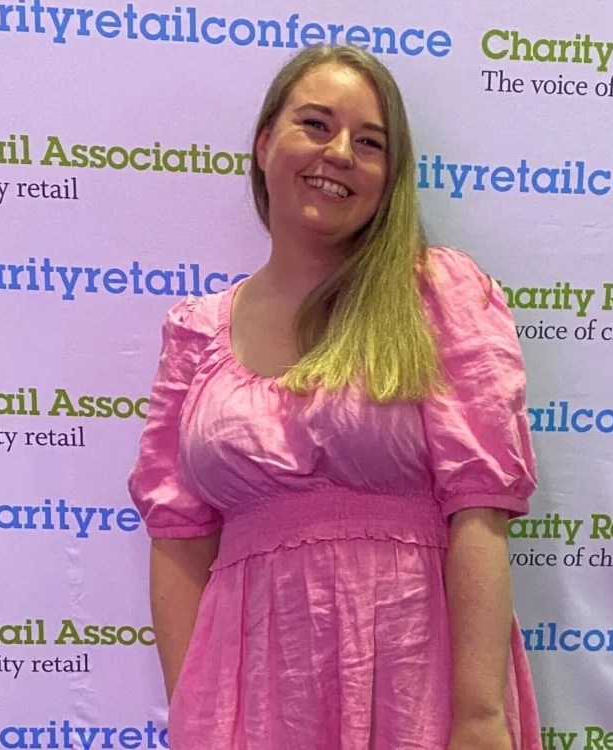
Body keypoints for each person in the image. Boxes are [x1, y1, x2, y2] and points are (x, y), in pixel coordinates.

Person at [127, 43, 541, 750]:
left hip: (416, 680)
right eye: (315, 125)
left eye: (370, 142)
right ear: (264, 144)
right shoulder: (195, 333)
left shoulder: (438, 294)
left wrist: (479, 719)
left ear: (390, 175)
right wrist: (193, 713)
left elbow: (481, 513)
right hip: (250, 695)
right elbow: (178, 541)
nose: (340, 152)